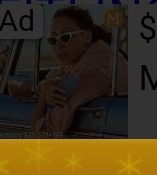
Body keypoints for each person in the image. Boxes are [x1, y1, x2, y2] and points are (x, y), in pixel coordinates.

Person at [29, 8, 127, 136]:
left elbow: (41, 136)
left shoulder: (86, 72)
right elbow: (59, 73)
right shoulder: (101, 52)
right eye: (53, 39)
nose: (58, 45)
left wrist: (43, 93)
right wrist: (43, 86)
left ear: (87, 36)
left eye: (65, 37)